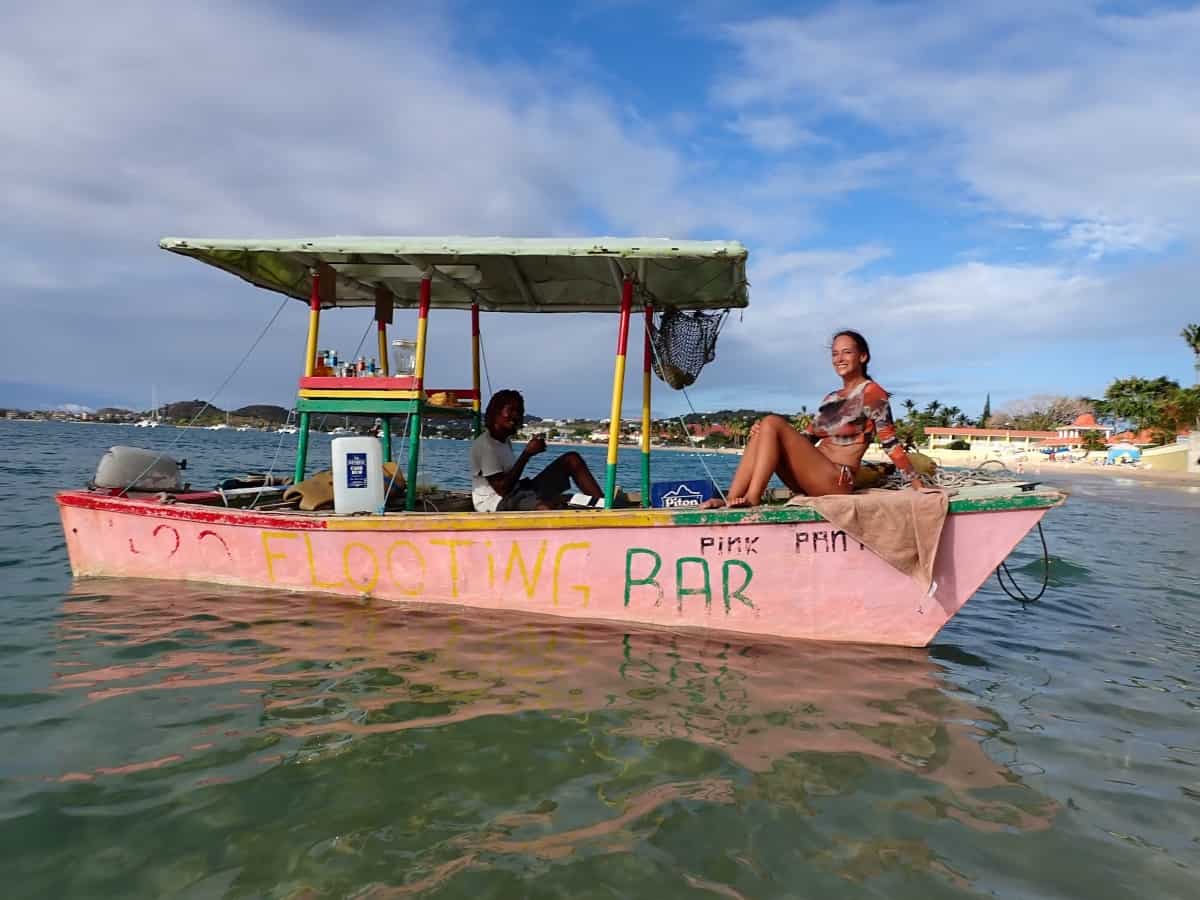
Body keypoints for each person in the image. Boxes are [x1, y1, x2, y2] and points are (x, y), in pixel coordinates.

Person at [702, 330, 923, 508]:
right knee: (763, 429)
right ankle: (731, 498)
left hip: (837, 480)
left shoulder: (872, 392)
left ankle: (752, 498)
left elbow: (890, 443)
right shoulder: (832, 398)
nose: (839, 359)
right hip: (812, 477)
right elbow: (805, 440)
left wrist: (917, 484)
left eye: (846, 352)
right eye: (835, 354)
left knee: (771, 422)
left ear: (862, 356)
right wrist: (765, 436)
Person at [470, 389, 603, 511]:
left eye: (519, 412)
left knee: (571, 459)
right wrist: (527, 454)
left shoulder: (504, 440)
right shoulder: (486, 445)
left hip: (517, 492)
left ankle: (605, 507)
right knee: (546, 508)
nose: (516, 416)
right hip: (494, 504)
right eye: (511, 410)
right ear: (495, 412)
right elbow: (502, 490)